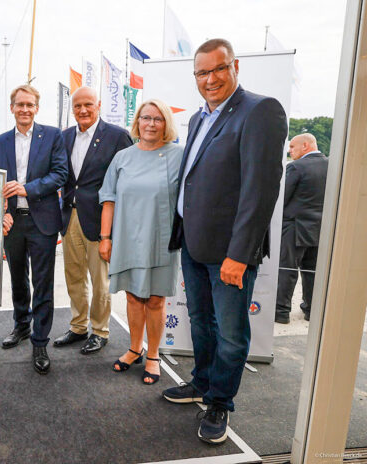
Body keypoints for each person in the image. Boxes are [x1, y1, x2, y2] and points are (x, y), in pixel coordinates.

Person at [163, 39, 287, 444]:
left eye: (218, 69)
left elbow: (260, 190)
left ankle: (219, 402)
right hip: (194, 245)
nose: (210, 79)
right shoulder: (200, 117)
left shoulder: (259, 110)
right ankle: (201, 382)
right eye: (202, 72)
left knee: (231, 335)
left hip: (230, 253)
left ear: (235, 66)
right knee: (200, 323)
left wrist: (239, 253)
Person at [99, 100, 182, 384]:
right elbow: (108, 199)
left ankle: (154, 355)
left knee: (156, 300)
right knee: (133, 297)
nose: (151, 124)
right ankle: (135, 348)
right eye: (146, 117)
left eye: (158, 119)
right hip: (126, 239)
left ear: (166, 124)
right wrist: (106, 238)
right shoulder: (122, 157)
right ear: (137, 121)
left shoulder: (178, 156)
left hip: (161, 240)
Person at [0, 84, 68, 374]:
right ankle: (21, 325)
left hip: (42, 220)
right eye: (20, 104)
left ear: (37, 108)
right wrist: (2, 213)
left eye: (30, 105)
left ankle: (40, 341)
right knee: (18, 280)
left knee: (43, 283)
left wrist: (27, 188)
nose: (25, 109)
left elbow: (60, 174)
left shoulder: (52, 136)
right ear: (12, 108)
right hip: (13, 222)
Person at [54, 86, 133, 354]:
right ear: (72, 109)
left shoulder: (117, 136)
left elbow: (126, 181)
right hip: (69, 216)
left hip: (100, 219)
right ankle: (78, 326)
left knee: (100, 280)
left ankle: (100, 330)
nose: (83, 110)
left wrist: (114, 229)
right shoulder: (63, 137)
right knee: (73, 276)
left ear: (98, 104)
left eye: (88, 104)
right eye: (77, 106)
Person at [275, 133, 328, 323]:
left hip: (295, 227)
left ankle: (281, 311)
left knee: (287, 269)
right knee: (312, 270)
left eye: (292, 147)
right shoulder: (332, 165)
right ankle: (311, 310)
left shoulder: (296, 167)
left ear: (305, 146)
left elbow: (283, 198)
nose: (290, 151)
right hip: (322, 228)